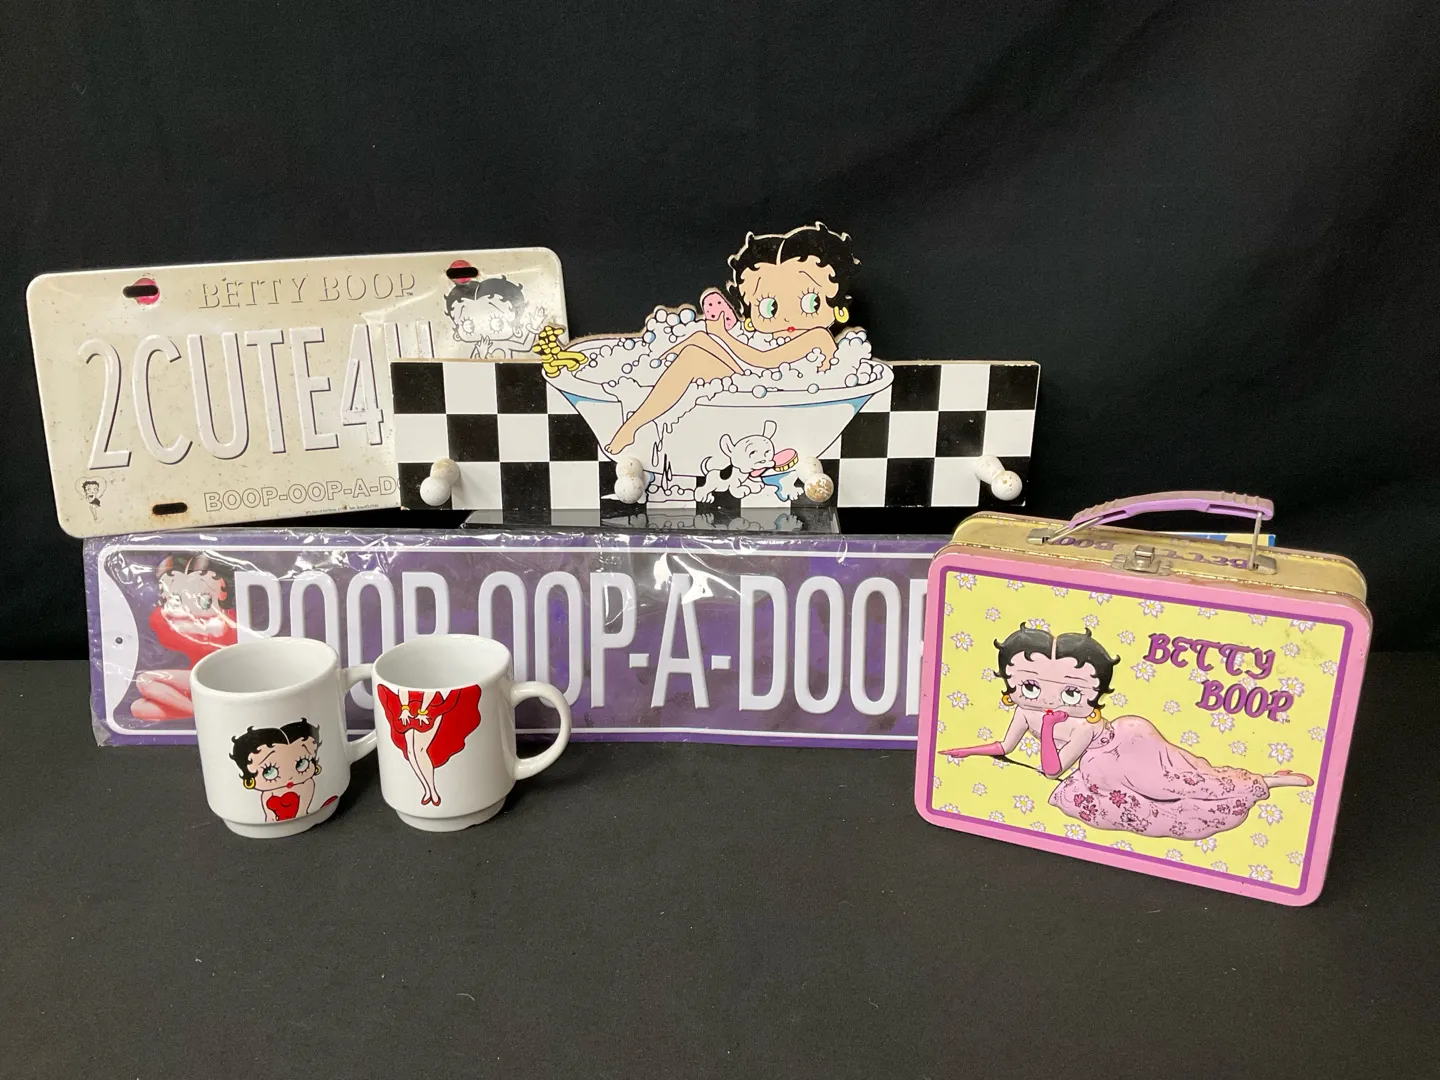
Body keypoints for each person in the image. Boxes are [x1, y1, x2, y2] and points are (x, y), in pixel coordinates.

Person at [939, 625, 1312, 841]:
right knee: (1156, 796)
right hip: (1098, 768)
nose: (1049, 700)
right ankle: (1259, 780)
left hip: (1125, 746)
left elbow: (1053, 770)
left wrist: (1050, 729)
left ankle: (1267, 781)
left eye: (1072, 692)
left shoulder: (1083, 724)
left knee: (1177, 784)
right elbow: (1005, 746)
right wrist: (967, 751)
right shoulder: (1025, 710)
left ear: (1095, 692)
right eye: (1031, 686)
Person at [604, 222, 860, 454]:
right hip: (758, 379)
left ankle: (633, 425)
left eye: (810, 302)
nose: (785, 317)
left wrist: (724, 335)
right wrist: (720, 336)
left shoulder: (817, 335)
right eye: (769, 307)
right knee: (699, 339)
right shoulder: (774, 336)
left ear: (838, 304)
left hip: (774, 389)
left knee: (693, 357)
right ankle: (654, 368)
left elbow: (766, 361)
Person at [131, 554, 237, 721]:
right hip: (195, 678)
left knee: (145, 680)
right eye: (176, 600)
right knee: (139, 707)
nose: (190, 609)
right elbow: (163, 629)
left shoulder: (227, 621)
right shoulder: (175, 622)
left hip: (221, 677)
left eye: (205, 601)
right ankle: (206, 715)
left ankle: (202, 714)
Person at [377, 684, 482, 807]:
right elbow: (402, 689)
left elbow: (430, 691)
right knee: (410, 751)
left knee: (420, 749)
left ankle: (432, 790)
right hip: (409, 704)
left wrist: (423, 711)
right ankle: (427, 789)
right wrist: (405, 709)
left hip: (431, 704)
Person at [229, 720, 322, 822]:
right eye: (269, 771)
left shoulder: (307, 784)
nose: (289, 777)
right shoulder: (268, 794)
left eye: (302, 763)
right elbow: (270, 816)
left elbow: (303, 810)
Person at [445, 276, 546, 358]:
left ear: (515, 325)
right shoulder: (480, 347)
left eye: (497, 323)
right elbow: (476, 369)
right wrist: (482, 354)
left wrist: (534, 327)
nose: (482, 330)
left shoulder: (506, 344)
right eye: (468, 326)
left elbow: (525, 347)